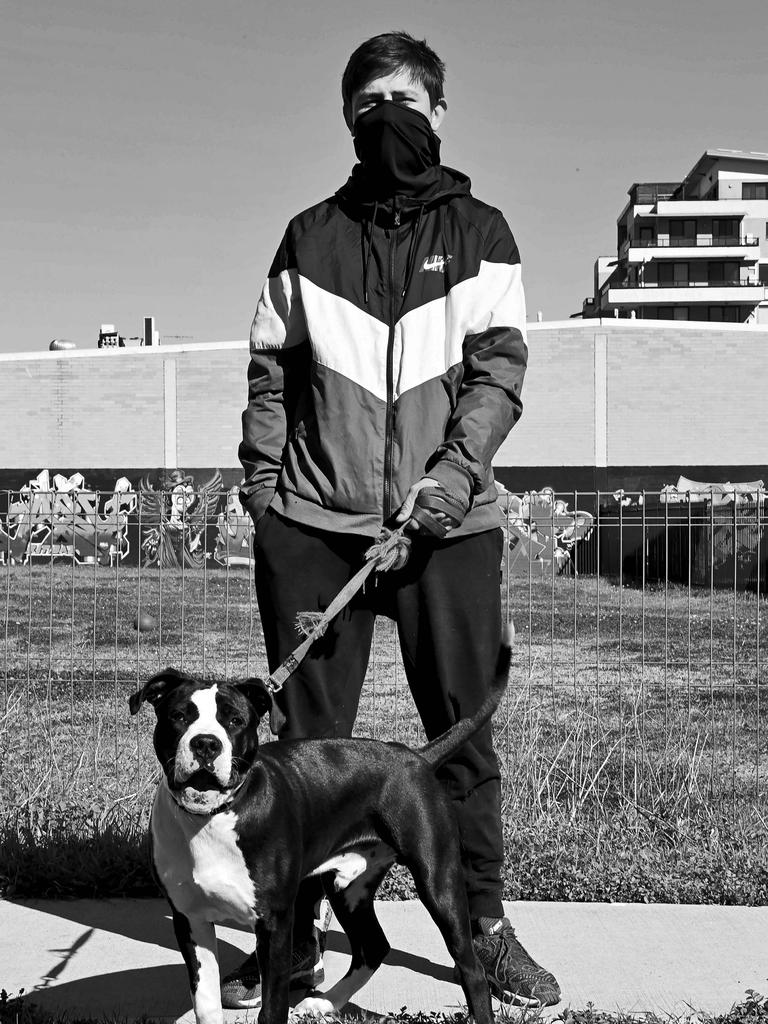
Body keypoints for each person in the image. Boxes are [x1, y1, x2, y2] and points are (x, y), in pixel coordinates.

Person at [228, 30, 560, 1009]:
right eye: (370, 102)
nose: (389, 119)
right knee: (301, 756)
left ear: (440, 116)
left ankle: (483, 927)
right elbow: (266, 371)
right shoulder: (307, 236)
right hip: (311, 527)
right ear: (347, 117)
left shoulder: (484, 235)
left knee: (459, 738)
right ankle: (291, 942)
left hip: (446, 530)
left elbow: (498, 373)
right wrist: (262, 487)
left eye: (406, 102)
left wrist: (454, 478)